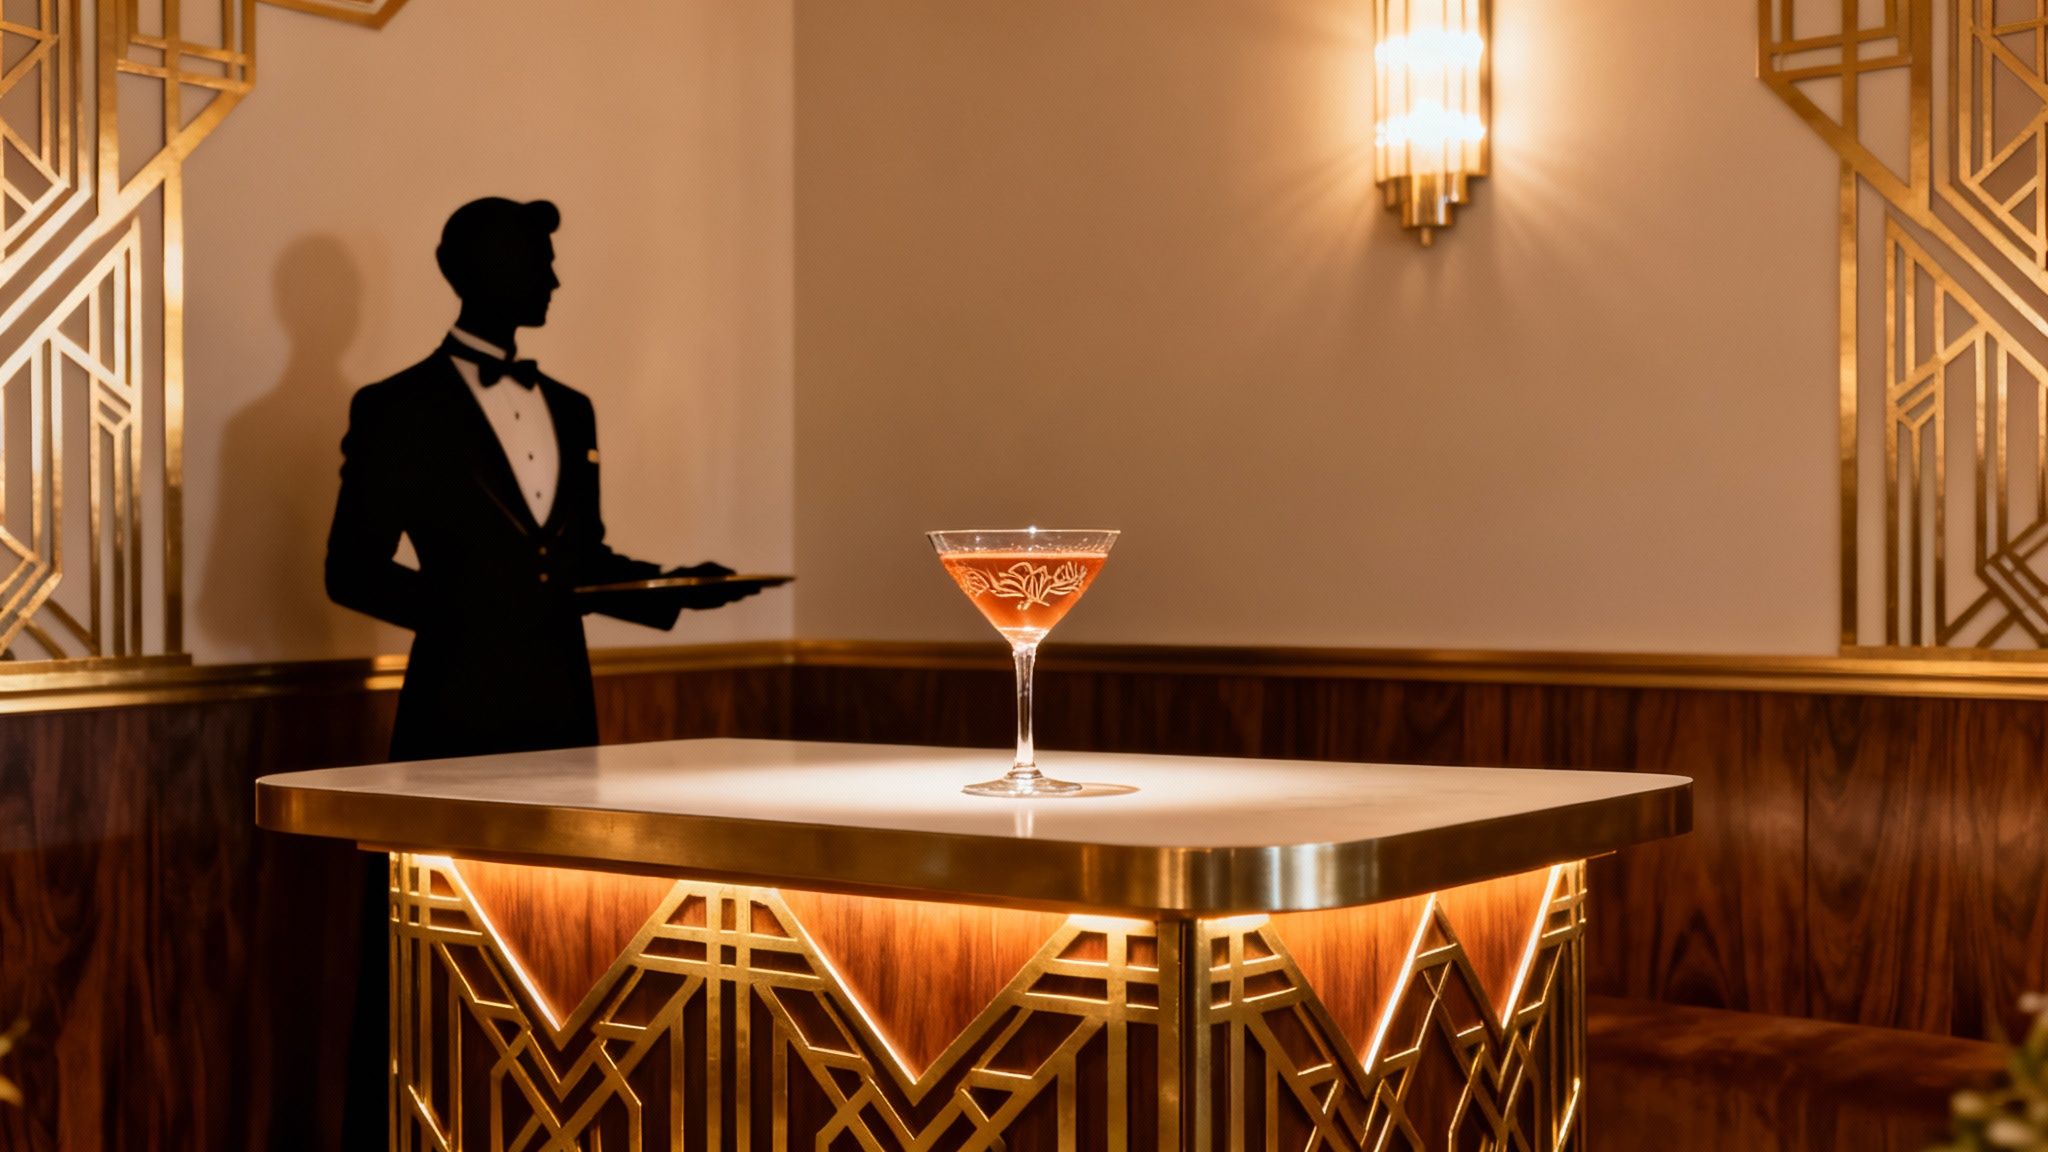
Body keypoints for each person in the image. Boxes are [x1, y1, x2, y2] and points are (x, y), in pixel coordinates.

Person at [323, 196, 754, 1146]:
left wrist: (677, 588)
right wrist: (475, 614)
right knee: (431, 937)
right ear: (484, 270)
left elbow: (576, 563)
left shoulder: (572, 408)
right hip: (452, 711)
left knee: (565, 928)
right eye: (541, 261)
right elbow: (348, 570)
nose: (556, 279)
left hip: (562, 703)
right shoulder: (397, 408)